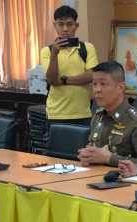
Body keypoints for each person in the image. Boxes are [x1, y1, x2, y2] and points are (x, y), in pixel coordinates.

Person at [77, 61, 137, 167]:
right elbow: (94, 151)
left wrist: (110, 158)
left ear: (120, 87)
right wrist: (88, 156)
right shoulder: (97, 117)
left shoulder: (136, 121)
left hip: (123, 180)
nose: (97, 90)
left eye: (103, 84)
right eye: (94, 84)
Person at [40, 5, 98, 133]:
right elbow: (51, 79)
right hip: (56, 113)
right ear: (54, 25)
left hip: (82, 113)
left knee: (83, 152)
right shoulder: (47, 51)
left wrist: (63, 80)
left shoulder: (87, 48)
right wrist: (54, 53)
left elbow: (91, 75)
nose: (65, 29)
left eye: (69, 24)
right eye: (61, 24)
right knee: (55, 152)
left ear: (76, 26)